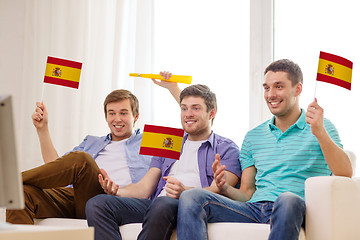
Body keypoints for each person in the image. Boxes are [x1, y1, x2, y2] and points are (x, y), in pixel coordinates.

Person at [176, 59, 353, 240]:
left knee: (287, 199)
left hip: (292, 206)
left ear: (298, 89)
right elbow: (246, 193)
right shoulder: (253, 137)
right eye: (266, 88)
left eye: (278, 87)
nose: (271, 94)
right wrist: (225, 188)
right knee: (192, 197)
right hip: (254, 209)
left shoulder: (321, 127)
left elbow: (345, 172)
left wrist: (320, 133)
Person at [85, 83, 241, 240]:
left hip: (189, 206)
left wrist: (185, 191)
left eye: (196, 108)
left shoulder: (226, 148)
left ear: (212, 113)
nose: (188, 114)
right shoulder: (170, 142)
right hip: (157, 205)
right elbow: (145, 188)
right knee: (97, 204)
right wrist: (117, 191)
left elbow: (219, 190)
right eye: (184, 108)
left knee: (163, 204)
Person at [6, 89, 153, 224]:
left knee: (83, 160)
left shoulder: (148, 142)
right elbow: (57, 168)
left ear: (136, 116)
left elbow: (175, 140)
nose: (117, 119)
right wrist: (42, 129)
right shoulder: (92, 141)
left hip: (112, 201)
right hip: (75, 196)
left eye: (123, 113)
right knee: (21, 194)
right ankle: (11, 185)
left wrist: (173, 88)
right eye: (112, 113)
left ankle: (7, 183)